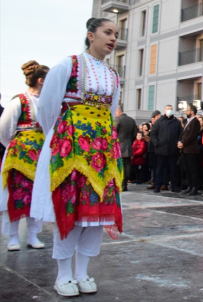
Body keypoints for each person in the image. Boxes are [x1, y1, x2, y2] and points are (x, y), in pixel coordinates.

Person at [31, 18, 122, 297]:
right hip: (71, 145)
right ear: (91, 35)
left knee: (97, 211)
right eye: (108, 32)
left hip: (102, 148)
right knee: (70, 205)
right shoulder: (68, 65)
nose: (113, 38)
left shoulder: (113, 75)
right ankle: (63, 274)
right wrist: (58, 138)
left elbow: (111, 112)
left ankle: (82, 272)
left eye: (116, 34)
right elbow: (47, 109)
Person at [0, 61, 49, 252]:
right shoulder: (18, 101)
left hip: (40, 154)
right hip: (19, 157)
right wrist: (14, 145)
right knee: (16, 194)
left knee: (37, 195)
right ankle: (13, 236)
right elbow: (4, 129)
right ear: (41, 81)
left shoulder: (47, 102)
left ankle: (33, 234)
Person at [151, 105, 183, 193]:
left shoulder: (176, 122)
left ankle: (174, 186)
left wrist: (178, 142)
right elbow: (153, 134)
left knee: (173, 169)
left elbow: (181, 133)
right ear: (164, 111)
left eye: (171, 109)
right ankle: (157, 186)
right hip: (161, 149)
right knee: (159, 169)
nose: (169, 110)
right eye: (168, 109)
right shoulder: (159, 121)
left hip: (173, 150)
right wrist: (157, 143)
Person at [178, 104, 202, 196]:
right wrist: (179, 141)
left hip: (191, 149)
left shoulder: (195, 121)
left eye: (187, 110)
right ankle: (189, 186)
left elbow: (192, 135)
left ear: (192, 112)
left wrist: (183, 143)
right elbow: (183, 134)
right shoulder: (188, 121)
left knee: (192, 169)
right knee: (187, 168)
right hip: (185, 149)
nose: (186, 112)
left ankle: (194, 187)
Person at [114, 105, 137, 191]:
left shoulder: (118, 120)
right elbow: (135, 134)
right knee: (127, 166)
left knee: (120, 165)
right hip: (128, 146)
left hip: (119, 146)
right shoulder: (131, 120)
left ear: (117, 111)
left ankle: (121, 183)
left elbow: (114, 132)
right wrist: (130, 142)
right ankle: (125, 184)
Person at [146, 110, 161, 190]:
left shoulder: (159, 125)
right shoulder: (154, 125)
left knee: (157, 167)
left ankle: (158, 182)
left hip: (156, 148)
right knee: (153, 167)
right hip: (151, 148)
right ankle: (154, 182)